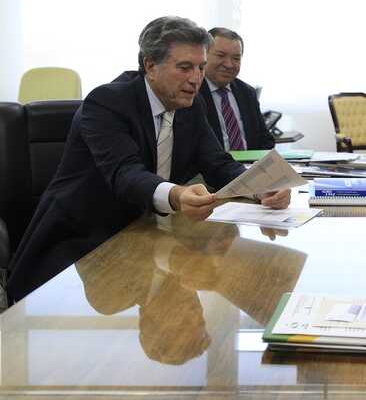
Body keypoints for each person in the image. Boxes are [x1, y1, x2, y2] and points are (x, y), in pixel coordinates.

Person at [7, 16, 291, 303]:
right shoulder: (106, 102)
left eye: (200, 67)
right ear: (150, 66)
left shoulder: (190, 106)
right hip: (81, 242)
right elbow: (126, 173)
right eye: (184, 67)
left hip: (146, 233)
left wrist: (260, 186)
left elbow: (217, 163)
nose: (195, 79)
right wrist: (177, 195)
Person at [199, 27, 275, 151]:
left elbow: (265, 140)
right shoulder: (191, 92)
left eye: (236, 58)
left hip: (250, 167)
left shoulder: (247, 92)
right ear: (204, 55)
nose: (229, 64)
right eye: (220, 55)